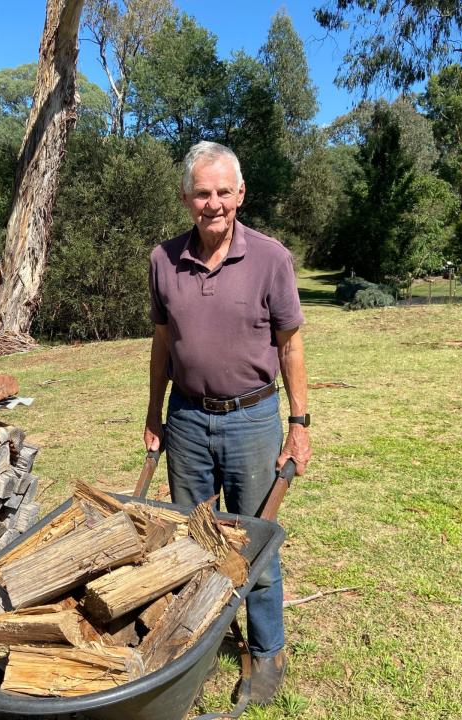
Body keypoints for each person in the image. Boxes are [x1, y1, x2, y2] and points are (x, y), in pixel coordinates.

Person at [144, 141, 311, 704]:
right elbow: (163, 342)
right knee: (192, 542)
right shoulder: (162, 261)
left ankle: (267, 653)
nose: (212, 203)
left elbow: (291, 346)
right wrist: (153, 414)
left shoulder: (271, 258)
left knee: (254, 544)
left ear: (240, 193)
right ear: (185, 197)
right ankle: (199, 642)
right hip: (187, 419)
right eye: (201, 193)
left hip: (252, 420)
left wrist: (301, 424)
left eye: (222, 192)